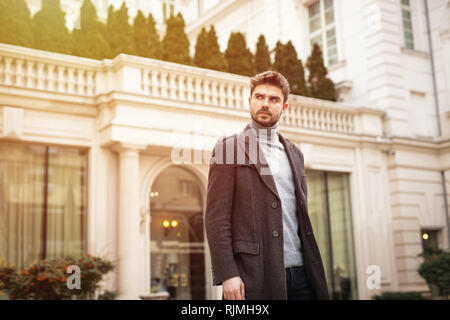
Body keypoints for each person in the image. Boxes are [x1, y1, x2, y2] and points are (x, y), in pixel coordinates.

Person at [204, 71, 329, 300]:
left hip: (303, 276)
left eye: (274, 99)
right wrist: (228, 273)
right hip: (254, 277)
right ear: (250, 101)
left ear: (284, 107)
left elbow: (299, 216)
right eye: (259, 97)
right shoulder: (228, 148)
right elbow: (216, 219)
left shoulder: (295, 154)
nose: (265, 104)